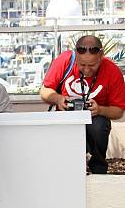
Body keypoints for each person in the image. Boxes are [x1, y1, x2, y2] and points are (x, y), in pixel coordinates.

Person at [40, 35, 125, 173]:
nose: (86, 70)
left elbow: (119, 111)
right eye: (82, 65)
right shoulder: (65, 60)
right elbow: (44, 91)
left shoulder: (112, 71)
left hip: (95, 120)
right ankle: (63, 168)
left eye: (92, 65)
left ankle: (98, 170)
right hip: (65, 117)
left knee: (100, 125)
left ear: (101, 56)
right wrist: (58, 99)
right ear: (75, 56)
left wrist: (100, 110)